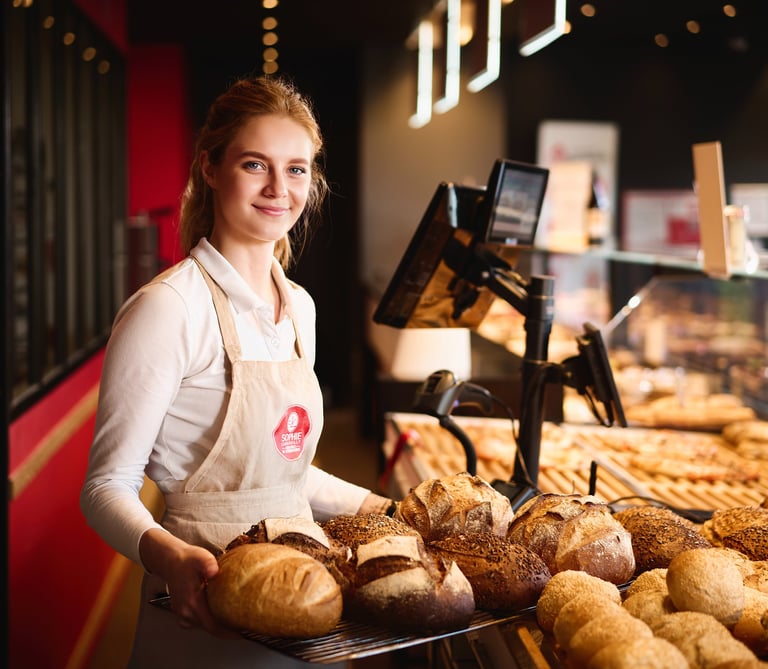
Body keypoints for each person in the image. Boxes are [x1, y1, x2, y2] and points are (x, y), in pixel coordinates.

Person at [80, 75, 393, 668]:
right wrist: (170, 558)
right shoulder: (168, 308)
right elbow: (105, 489)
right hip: (202, 613)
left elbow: (284, 481)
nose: (280, 188)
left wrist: (383, 510)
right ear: (210, 168)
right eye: (256, 164)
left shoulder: (300, 306)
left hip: (303, 596)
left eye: (297, 169)